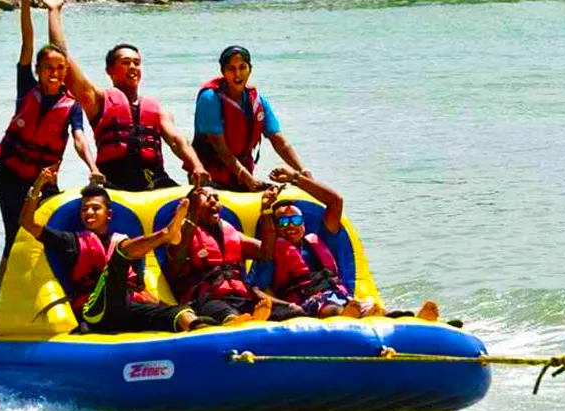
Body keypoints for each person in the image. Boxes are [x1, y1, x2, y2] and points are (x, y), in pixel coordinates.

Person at [0, 0, 102, 286]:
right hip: (12, 178)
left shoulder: (71, 106)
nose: (56, 72)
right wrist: (25, 2)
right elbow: (27, 42)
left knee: (50, 234)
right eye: (49, 67)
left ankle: (52, 293)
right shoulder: (27, 87)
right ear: (38, 70)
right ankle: (4, 303)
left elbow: (79, 137)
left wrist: (92, 166)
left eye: (61, 68)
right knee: (14, 238)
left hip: (44, 181)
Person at [42, 0, 210, 191]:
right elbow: (63, 60)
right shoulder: (98, 100)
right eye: (126, 62)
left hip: (155, 181)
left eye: (137, 63)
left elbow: (176, 140)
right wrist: (54, 12)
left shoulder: (157, 110)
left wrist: (197, 165)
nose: (133, 67)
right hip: (114, 182)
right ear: (110, 71)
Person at [20, 168, 214, 333]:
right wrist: (37, 187)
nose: (88, 213)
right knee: (121, 254)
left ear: (108, 214)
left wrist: (164, 307)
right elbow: (27, 223)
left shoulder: (122, 240)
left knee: (179, 313)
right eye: (84, 209)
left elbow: (138, 286)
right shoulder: (70, 240)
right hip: (95, 310)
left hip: (128, 307)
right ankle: (165, 235)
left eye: (95, 208)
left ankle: (202, 333)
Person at [259, 165, 441, 321]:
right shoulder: (269, 252)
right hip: (310, 303)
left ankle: (412, 321)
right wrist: (289, 307)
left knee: (371, 307)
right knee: (331, 309)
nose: (291, 225)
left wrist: (295, 177)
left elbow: (335, 202)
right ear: (275, 228)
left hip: (341, 296)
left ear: (304, 225)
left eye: (296, 220)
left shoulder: (320, 240)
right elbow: (261, 289)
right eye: (283, 222)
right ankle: (347, 317)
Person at [167, 184, 303, 325]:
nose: (213, 201)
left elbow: (266, 253)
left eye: (216, 198)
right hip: (207, 300)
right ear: (193, 206)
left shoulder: (232, 233)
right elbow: (177, 258)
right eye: (207, 198)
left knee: (294, 311)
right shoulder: (180, 234)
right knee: (230, 316)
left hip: (241, 299)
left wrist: (267, 210)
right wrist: (193, 213)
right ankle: (245, 322)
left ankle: (251, 320)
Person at [190, 45, 312, 192]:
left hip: (242, 178)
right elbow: (220, 149)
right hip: (210, 178)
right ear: (223, 72)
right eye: (231, 69)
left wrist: (303, 171)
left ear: (250, 69)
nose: (237, 74)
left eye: (242, 67)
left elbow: (280, 142)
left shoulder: (257, 101)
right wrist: (248, 179)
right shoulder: (210, 99)